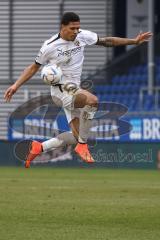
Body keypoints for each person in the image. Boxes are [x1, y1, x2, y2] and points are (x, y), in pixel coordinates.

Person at [4, 12, 152, 168]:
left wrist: (133, 41)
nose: (76, 31)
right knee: (92, 101)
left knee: (77, 136)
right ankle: (82, 145)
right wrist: (16, 85)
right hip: (60, 89)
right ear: (63, 27)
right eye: (72, 28)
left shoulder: (83, 36)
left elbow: (107, 41)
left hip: (74, 89)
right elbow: (33, 67)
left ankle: (39, 147)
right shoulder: (50, 46)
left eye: (77, 28)